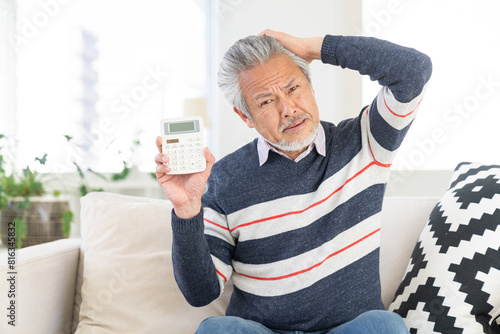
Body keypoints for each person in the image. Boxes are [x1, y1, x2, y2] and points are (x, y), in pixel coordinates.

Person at [154, 29, 432, 333]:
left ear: (310, 86)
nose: (288, 110)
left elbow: (414, 70)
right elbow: (201, 294)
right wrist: (186, 210)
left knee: (385, 326)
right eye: (265, 101)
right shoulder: (223, 180)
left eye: (293, 88)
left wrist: (313, 48)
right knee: (218, 330)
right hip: (265, 330)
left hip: (350, 329)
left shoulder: (366, 142)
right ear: (245, 116)